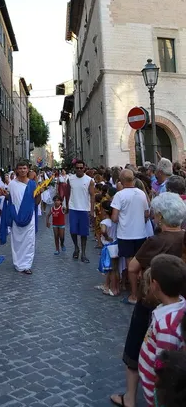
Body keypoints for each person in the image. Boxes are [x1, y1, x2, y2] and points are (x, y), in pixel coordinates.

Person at [110, 192, 186, 407]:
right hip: (180, 303)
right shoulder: (184, 238)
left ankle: (131, 399)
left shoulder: (155, 241)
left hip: (152, 303)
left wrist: (137, 291)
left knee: (135, 349)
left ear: (160, 217)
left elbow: (133, 268)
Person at [138, 254, 186, 407]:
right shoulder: (173, 309)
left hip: (157, 396)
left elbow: (164, 366)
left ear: (155, 285)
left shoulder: (168, 327)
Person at [111, 169, 149, 304]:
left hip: (126, 234)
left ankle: (133, 295)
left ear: (121, 181)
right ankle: (142, 292)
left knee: (130, 265)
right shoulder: (141, 194)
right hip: (140, 234)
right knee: (140, 265)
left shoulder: (119, 195)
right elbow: (146, 214)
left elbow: (115, 218)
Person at [0, 160, 40, 274]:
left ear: (28, 170)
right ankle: (18, 263)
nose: (22, 170)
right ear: (17, 170)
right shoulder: (12, 184)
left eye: (24, 168)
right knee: (17, 241)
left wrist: (39, 193)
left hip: (29, 216)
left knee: (29, 241)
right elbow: (11, 199)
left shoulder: (32, 184)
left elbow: (36, 202)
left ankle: (27, 265)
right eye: (20, 168)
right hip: (16, 216)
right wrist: (5, 195)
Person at [67, 159, 95, 263]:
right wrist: (66, 205)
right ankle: (76, 247)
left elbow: (92, 196)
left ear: (84, 168)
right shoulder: (70, 179)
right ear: (75, 168)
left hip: (84, 209)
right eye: (77, 168)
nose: (79, 169)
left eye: (81, 168)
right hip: (73, 207)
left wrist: (92, 211)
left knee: (84, 233)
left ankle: (83, 253)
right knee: (73, 231)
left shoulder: (89, 180)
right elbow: (67, 193)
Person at [99, 200, 119, 296]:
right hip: (116, 245)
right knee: (114, 268)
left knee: (110, 269)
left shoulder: (105, 222)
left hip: (108, 246)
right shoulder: (115, 221)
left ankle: (111, 287)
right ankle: (109, 286)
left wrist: (106, 237)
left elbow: (103, 231)